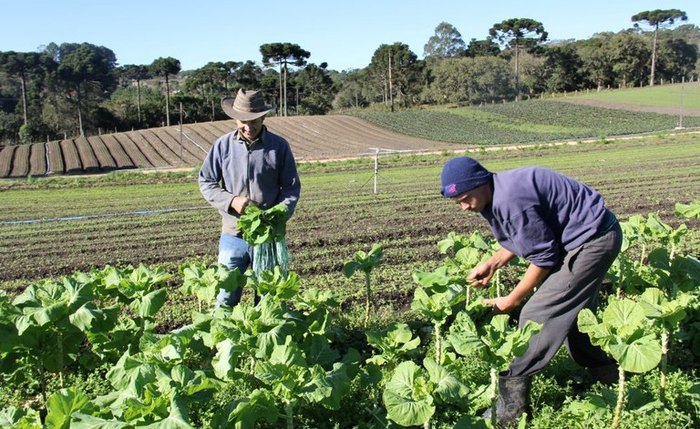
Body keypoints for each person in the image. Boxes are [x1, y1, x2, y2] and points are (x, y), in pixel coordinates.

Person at [440, 156, 622, 426]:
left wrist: (512, 300)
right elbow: (525, 237)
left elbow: (544, 257)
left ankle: (511, 411)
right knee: (576, 315)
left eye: (466, 199)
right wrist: (492, 263)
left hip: (593, 241)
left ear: (480, 183)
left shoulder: (511, 201)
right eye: (458, 204)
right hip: (585, 238)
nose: (464, 207)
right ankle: (611, 382)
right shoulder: (498, 190)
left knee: (536, 315)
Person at [199, 88, 301, 307]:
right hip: (233, 235)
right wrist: (231, 201)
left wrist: (279, 214)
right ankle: (225, 340)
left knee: (268, 298)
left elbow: (291, 189)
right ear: (235, 118)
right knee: (226, 295)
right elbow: (206, 182)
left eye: (253, 121)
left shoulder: (279, 147)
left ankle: (262, 339)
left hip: (268, 237)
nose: (247, 127)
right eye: (242, 121)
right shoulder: (222, 146)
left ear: (263, 116)